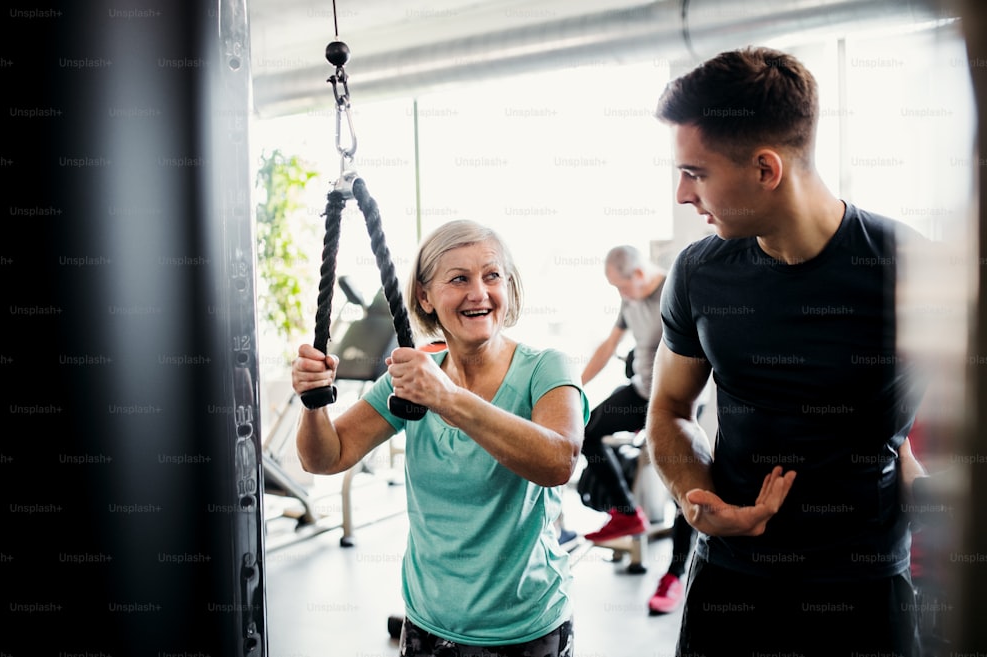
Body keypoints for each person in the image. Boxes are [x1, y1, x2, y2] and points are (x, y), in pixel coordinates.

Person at [646, 46, 929, 656]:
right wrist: (698, 499)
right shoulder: (698, 273)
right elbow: (668, 408)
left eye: (695, 172)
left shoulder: (912, 269)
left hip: (864, 590)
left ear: (766, 169)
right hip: (733, 584)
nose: (681, 194)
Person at [292, 219, 587, 657]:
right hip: (427, 623)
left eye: (492, 276)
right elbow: (326, 458)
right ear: (425, 297)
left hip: (523, 627)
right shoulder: (413, 374)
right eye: (459, 279)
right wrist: (314, 402)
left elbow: (557, 463)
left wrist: (448, 398)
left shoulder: (546, 368)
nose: (479, 293)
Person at [577, 245, 665, 544]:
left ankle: (676, 571)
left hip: (671, 400)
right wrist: (574, 386)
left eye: (623, 287)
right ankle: (627, 513)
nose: (621, 295)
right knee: (586, 431)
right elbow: (608, 347)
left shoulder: (672, 292)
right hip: (641, 393)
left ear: (639, 274)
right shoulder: (629, 299)